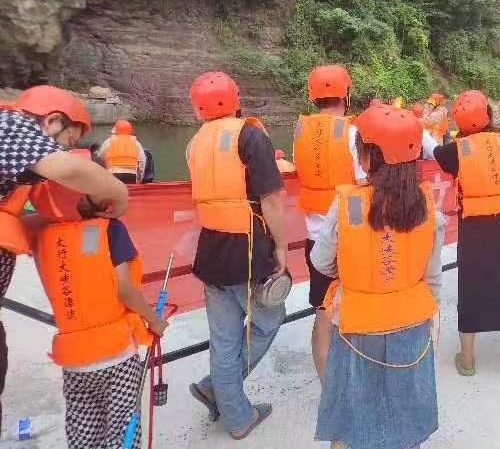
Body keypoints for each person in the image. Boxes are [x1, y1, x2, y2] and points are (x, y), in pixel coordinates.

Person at [311, 104, 441, 449]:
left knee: (352, 412)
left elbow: (320, 260)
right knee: (405, 409)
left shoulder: (346, 204)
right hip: (411, 321)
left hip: (358, 323)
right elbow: (432, 274)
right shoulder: (427, 205)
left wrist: (352, 272)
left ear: (368, 156)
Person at [0, 85, 128, 433]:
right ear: (52, 121)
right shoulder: (10, 126)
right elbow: (70, 171)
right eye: (66, 143)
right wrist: (118, 193)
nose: (65, 152)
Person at [186, 71, 287, 439]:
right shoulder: (250, 135)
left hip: (211, 251)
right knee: (268, 320)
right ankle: (232, 406)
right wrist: (281, 246)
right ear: (235, 99)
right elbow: (271, 199)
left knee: (225, 339)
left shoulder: (195, 143)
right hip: (248, 250)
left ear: (198, 109)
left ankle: (220, 393)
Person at [34, 184, 167, 448]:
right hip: (116, 356)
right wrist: (154, 320)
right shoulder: (111, 229)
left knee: (84, 436)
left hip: (74, 359)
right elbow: (124, 289)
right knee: (122, 435)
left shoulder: (44, 235)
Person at [434, 90, 500, 376]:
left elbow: (434, 150)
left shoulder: (455, 151)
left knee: (472, 286)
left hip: (475, 227)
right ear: (489, 115)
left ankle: (467, 359)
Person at [293, 65, 366, 382]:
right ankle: (357, 377)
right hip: (351, 238)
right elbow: (365, 182)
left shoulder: (300, 131)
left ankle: (328, 386)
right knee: (357, 308)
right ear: (346, 94)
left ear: (313, 96)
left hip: (316, 240)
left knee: (323, 314)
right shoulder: (352, 133)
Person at [97, 119, 146, 184]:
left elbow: (99, 156)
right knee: (128, 190)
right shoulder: (136, 142)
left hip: (113, 173)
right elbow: (142, 161)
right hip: (131, 174)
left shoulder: (109, 141)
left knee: (114, 190)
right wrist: (140, 178)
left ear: (116, 131)